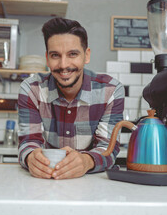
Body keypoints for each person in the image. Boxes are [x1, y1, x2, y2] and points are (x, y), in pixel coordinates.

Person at [18, 17, 125, 180]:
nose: (63, 65)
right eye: (55, 55)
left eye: (72, 54)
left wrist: (86, 161)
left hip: (92, 183)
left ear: (86, 55)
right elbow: (29, 141)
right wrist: (31, 157)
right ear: (47, 58)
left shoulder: (111, 90)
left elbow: (108, 148)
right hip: (44, 182)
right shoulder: (31, 89)